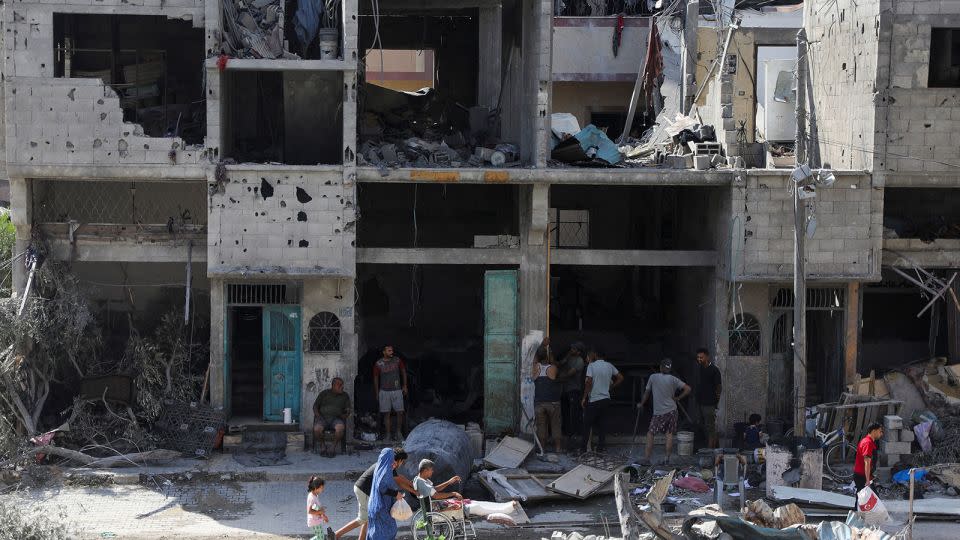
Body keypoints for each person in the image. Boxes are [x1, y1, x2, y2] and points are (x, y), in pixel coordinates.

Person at [335, 448, 414, 540]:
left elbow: (399, 477)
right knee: (364, 518)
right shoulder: (388, 466)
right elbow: (395, 482)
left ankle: (360, 538)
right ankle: (336, 534)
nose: (401, 464)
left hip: (363, 488)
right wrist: (413, 490)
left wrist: (412, 486)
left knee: (368, 517)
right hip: (364, 490)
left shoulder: (387, 464)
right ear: (399, 460)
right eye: (402, 462)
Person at [639, 358, 691, 464]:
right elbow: (688, 389)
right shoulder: (673, 379)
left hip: (659, 413)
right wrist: (678, 398)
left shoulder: (653, 377)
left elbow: (647, 393)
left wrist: (641, 403)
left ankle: (647, 459)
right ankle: (667, 459)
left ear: (660, 367)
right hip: (672, 410)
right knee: (669, 434)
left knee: (650, 433)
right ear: (670, 369)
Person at [580, 345, 624, 454]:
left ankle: (583, 449)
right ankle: (600, 449)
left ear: (595, 354)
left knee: (587, 424)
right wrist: (611, 387)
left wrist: (584, 397)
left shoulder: (592, 366)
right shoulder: (609, 366)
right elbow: (621, 378)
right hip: (606, 399)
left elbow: (588, 382)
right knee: (602, 425)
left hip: (594, 399)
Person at [366, 447, 414, 540]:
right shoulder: (385, 471)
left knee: (376, 532)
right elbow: (382, 487)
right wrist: (396, 494)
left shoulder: (380, 469)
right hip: (381, 507)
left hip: (376, 506)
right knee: (387, 532)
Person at [532, 339, 563, 453]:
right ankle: (558, 448)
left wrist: (541, 347)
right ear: (548, 356)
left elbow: (536, 358)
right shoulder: (553, 368)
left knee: (541, 427)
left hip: (539, 403)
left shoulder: (535, 367)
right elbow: (554, 363)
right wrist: (550, 354)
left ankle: (543, 448)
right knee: (555, 425)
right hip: (553, 403)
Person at [373, 345, 408, 442]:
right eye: (389, 351)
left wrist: (405, 385)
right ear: (384, 352)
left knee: (400, 412)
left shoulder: (397, 360)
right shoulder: (379, 363)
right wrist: (377, 392)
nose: (391, 352)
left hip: (397, 390)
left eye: (392, 350)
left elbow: (403, 372)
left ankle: (398, 433)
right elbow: (375, 378)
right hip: (384, 391)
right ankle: (388, 435)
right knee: (386, 414)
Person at [313, 377, 351, 457]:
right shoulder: (324, 393)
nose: (342, 387)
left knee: (340, 428)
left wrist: (345, 414)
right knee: (317, 429)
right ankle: (323, 446)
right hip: (323, 418)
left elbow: (348, 409)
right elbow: (315, 406)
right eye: (339, 385)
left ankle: (332, 448)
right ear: (333, 385)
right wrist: (318, 416)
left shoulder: (345, 396)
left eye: (342, 385)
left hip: (336, 419)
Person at [695, 348, 722, 449]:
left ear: (707, 356)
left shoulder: (714, 370)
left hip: (709, 404)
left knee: (710, 428)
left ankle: (710, 453)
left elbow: (719, 387)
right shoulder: (701, 368)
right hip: (701, 402)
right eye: (698, 357)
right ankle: (716, 449)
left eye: (701, 357)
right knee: (707, 427)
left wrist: (716, 401)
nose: (699, 359)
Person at [558, 342, 586, 438]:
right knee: (564, 412)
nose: (571, 350)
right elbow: (560, 363)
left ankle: (573, 433)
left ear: (578, 352)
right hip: (565, 389)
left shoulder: (580, 361)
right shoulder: (569, 357)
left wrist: (557, 378)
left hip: (573, 389)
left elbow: (570, 374)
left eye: (573, 349)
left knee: (573, 413)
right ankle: (566, 432)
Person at [853, 422, 884, 508]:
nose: (881, 434)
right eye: (880, 431)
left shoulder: (868, 441)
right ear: (874, 431)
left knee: (861, 498)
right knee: (869, 498)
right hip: (862, 476)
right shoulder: (868, 443)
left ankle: (859, 516)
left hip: (863, 475)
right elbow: (867, 462)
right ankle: (860, 517)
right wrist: (867, 480)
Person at [306, 475, 334, 540]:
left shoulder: (315, 495)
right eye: (321, 488)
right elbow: (310, 511)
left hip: (316, 520)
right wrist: (321, 512)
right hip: (314, 521)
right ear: (316, 488)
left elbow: (316, 508)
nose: (322, 490)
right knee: (320, 537)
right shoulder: (312, 498)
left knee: (320, 537)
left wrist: (323, 516)